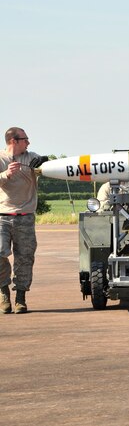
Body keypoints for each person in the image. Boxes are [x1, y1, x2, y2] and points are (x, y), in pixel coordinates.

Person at [0, 127, 48, 314]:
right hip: (2, 217)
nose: (28, 143)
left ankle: (20, 298)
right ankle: (4, 293)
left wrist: (44, 162)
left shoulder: (31, 157)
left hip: (26, 217)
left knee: (25, 259)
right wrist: (5, 175)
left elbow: (48, 167)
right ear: (14, 140)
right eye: (25, 139)